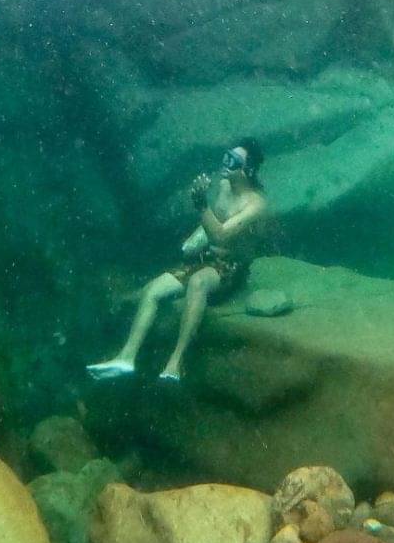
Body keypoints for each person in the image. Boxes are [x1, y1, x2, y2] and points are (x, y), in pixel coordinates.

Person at [87, 138, 267, 383]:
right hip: (207, 259)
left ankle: (176, 362)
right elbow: (213, 222)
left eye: (233, 161)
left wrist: (200, 204)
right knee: (153, 290)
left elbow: (222, 235)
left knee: (198, 284)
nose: (225, 163)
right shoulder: (225, 186)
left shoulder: (255, 204)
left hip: (231, 266)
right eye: (226, 156)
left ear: (249, 170)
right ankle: (126, 357)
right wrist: (194, 240)